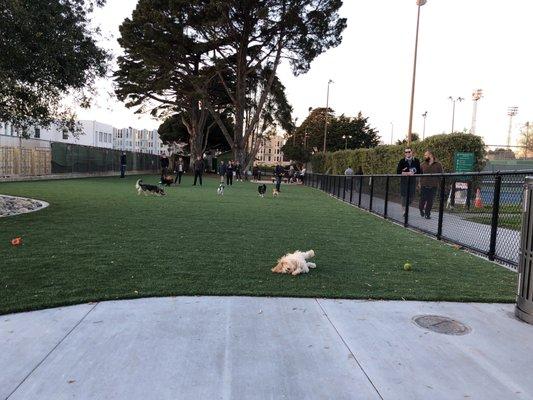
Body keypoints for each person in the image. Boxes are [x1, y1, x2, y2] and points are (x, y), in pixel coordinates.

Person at [396, 147, 422, 216]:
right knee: (404, 197)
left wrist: (418, 181)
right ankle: (404, 212)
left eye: (409, 152)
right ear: (404, 153)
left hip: (413, 182)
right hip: (404, 182)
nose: (407, 153)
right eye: (406, 152)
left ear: (411, 152)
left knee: (412, 197)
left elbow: (419, 172)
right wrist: (407, 173)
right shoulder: (402, 161)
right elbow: (398, 172)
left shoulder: (416, 161)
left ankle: (406, 207)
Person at [419, 150, 444, 219]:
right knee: (422, 200)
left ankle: (427, 213)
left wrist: (441, 183)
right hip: (424, 185)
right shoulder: (422, 164)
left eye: (426, 155)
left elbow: (441, 175)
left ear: (431, 155)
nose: (424, 156)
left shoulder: (438, 164)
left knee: (430, 200)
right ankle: (421, 209)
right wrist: (419, 183)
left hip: (434, 186)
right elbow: (419, 175)